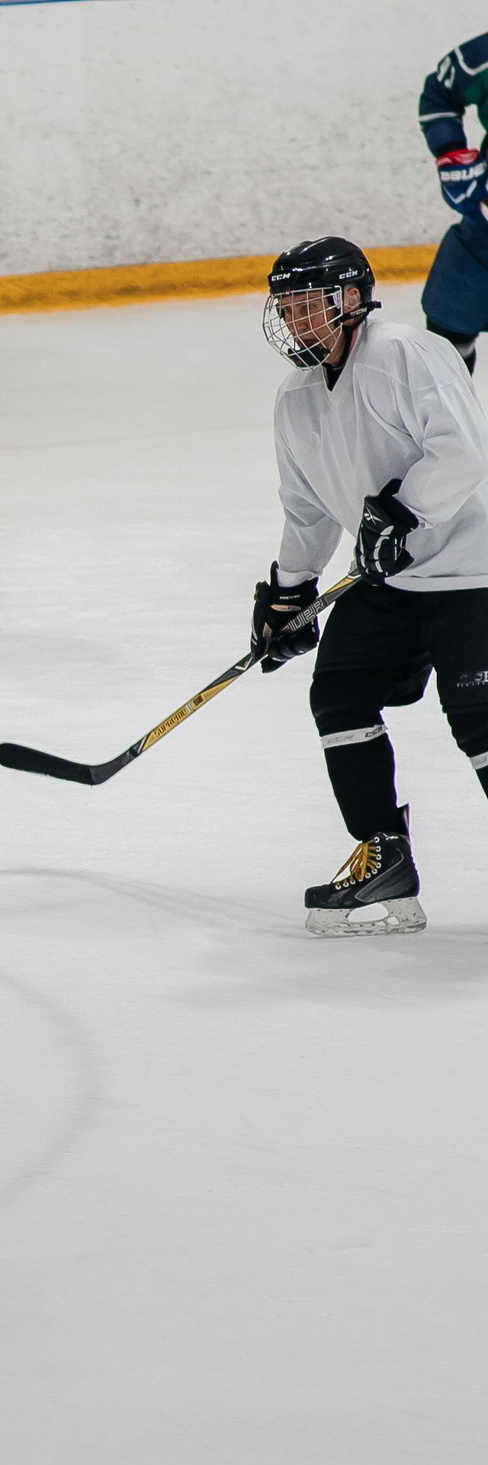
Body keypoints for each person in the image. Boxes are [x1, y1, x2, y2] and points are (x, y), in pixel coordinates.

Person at [254, 237, 488, 936]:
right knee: (339, 692)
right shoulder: (296, 398)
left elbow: (464, 449)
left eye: (308, 304)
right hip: (390, 579)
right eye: (287, 307)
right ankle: (383, 854)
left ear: (351, 300)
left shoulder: (407, 354)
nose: (296, 320)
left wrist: (405, 509)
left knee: (479, 721)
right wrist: (290, 591)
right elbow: (308, 506)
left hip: (472, 568)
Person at [420, 34, 488, 372]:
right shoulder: (483, 57)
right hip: (484, 228)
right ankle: (447, 425)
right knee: (445, 338)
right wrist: (450, 153)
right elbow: (439, 93)